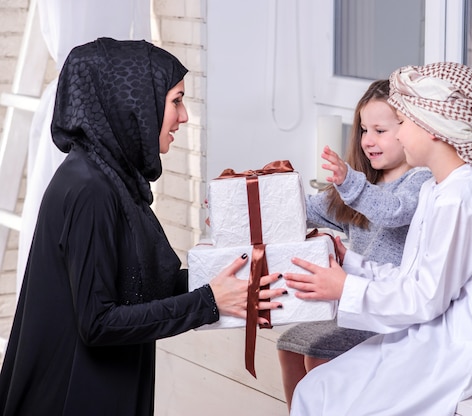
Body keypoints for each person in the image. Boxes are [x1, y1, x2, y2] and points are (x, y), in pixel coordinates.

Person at [0, 38, 285, 416]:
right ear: (136, 106)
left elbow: (137, 285)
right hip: (74, 397)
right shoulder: (91, 191)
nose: (183, 117)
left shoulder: (111, 177)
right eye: (176, 101)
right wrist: (208, 301)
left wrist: (230, 281)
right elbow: (98, 322)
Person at [284, 62, 472, 415]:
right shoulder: (440, 189)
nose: (399, 135)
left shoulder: (461, 199)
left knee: (327, 395)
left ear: (435, 127)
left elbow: (423, 298)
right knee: (317, 389)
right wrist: (350, 264)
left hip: (464, 347)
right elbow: (414, 277)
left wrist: (346, 289)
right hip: (440, 330)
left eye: (402, 123)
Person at [276, 79, 432, 410]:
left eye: (380, 130)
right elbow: (307, 209)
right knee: (290, 345)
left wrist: (351, 183)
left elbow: (393, 213)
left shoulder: (420, 181)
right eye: (363, 130)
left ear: (407, 130)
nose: (368, 141)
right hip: (353, 304)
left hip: (390, 311)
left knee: (320, 354)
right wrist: (251, 209)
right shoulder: (362, 185)